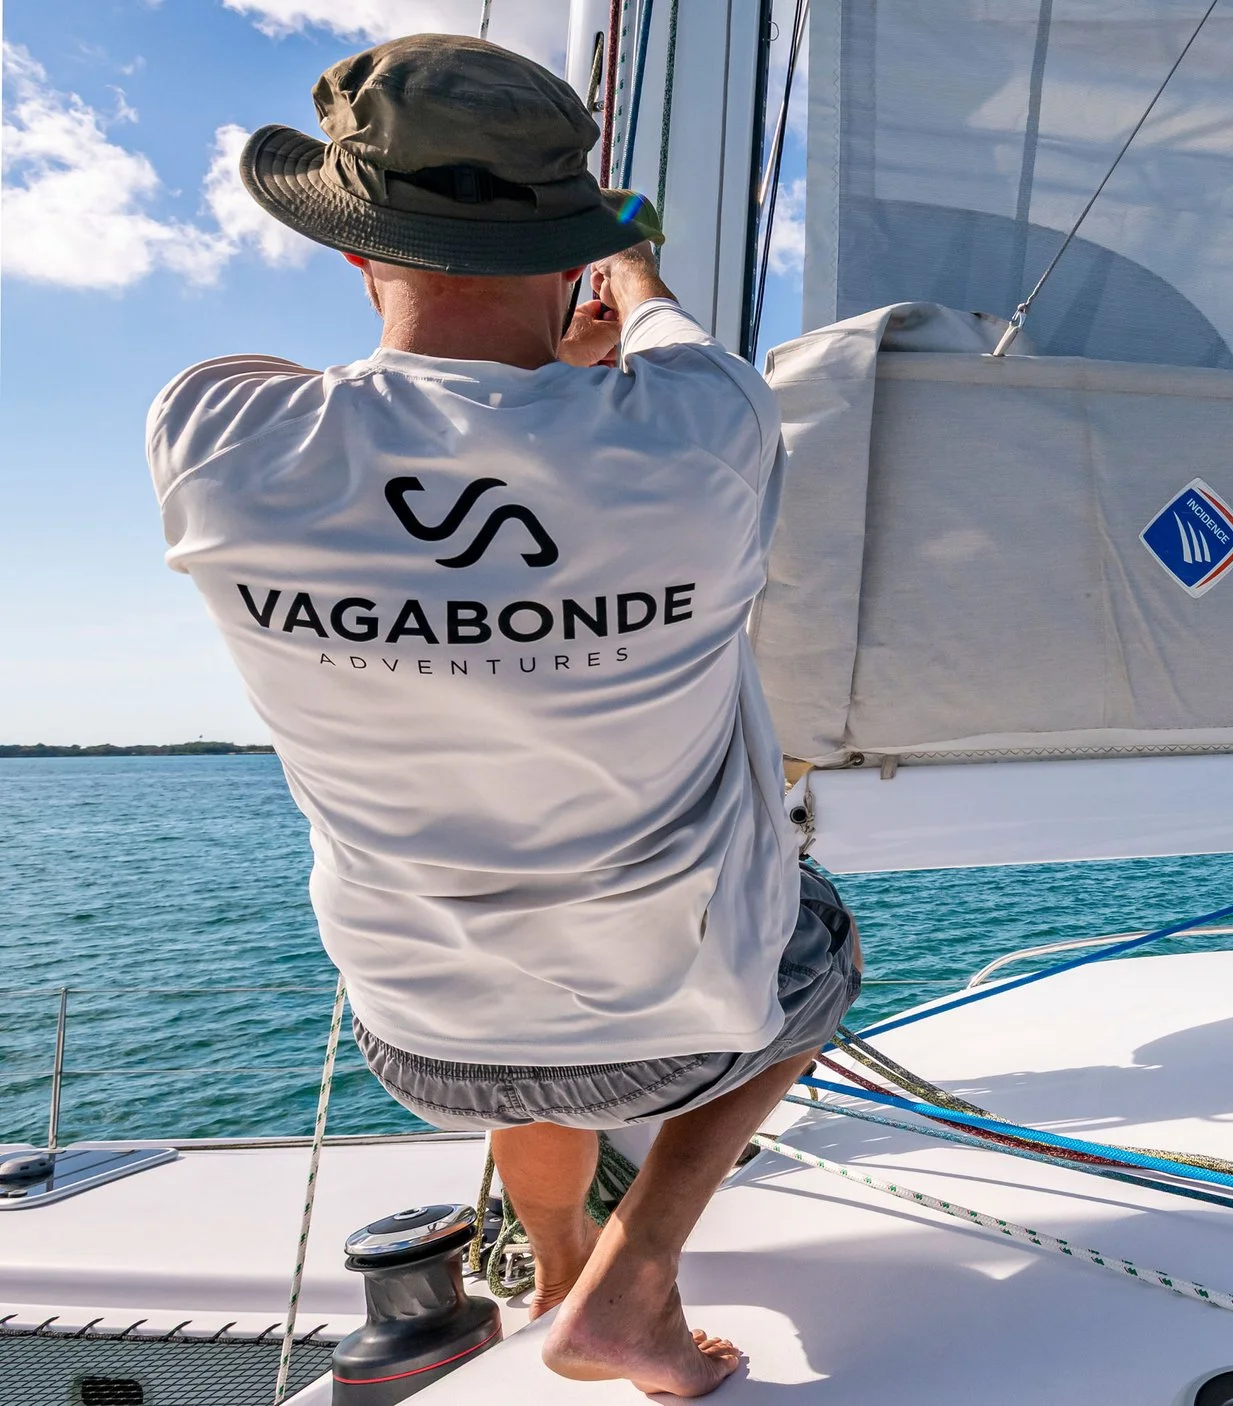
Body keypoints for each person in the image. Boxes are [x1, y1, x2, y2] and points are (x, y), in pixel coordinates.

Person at [144, 34, 853, 1397]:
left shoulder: (218, 445)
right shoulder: (702, 433)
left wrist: (537, 376)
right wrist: (621, 289)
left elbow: (358, 395)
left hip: (424, 1040)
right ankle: (633, 1277)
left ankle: (556, 1237)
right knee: (822, 942)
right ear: (579, 249)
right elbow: (661, 337)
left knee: (517, 1019)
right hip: (682, 1032)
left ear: (356, 255)